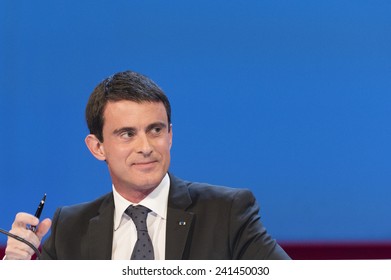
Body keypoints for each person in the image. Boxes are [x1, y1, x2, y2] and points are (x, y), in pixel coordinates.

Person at [4, 70, 291, 260]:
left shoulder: (227, 213)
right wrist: (14, 269)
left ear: (170, 135)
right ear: (98, 147)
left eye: (155, 130)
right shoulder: (70, 227)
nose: (146, 147)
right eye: (127, 134)